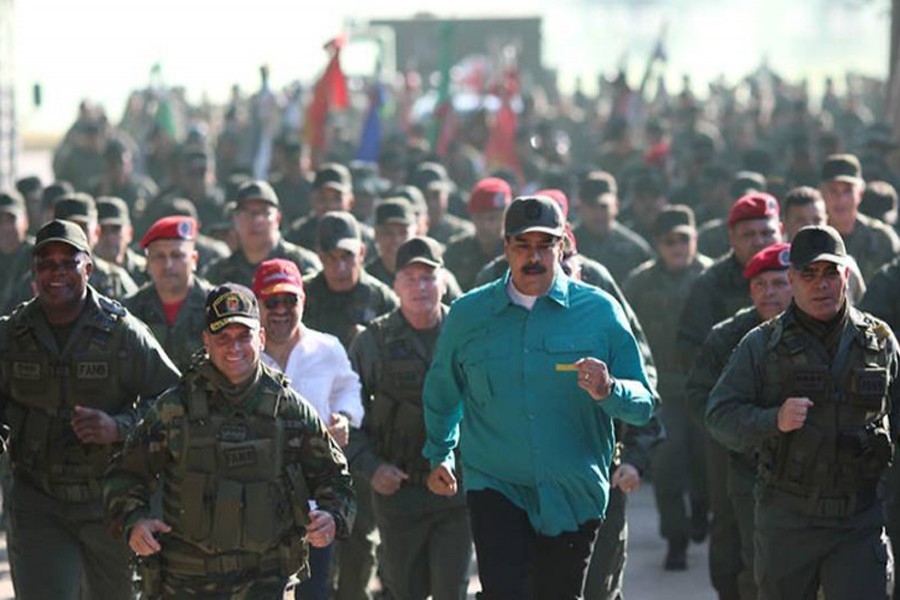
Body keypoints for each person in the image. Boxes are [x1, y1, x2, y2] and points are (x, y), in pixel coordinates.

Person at [423, 195, 655, 599]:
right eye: (522, 246)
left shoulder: (600, 311)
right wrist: (440, 452)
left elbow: (642, 404)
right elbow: (444, 391)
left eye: (544, 246)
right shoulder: (469, 315)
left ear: (562, 246)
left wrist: (609, 389)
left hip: (573, 490)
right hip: (496, 483)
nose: (534, 257)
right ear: (506, 249)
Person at [104, 283, 356, 599]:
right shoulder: (175, 409)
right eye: (222, 338)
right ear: (206, 341)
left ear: (261, 338)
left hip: (266, 582)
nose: (233, 348)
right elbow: (124, 474)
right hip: (185, 583)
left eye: (243, 336)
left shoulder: (289, 409)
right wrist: (134, 520)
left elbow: (336, 479)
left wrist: (332, 518)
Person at [706, 225, 898, 599]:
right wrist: (773, 419)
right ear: (792, 279)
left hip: (859, 519)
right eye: (808, 274)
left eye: (830, 272)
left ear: (846, 275)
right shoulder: (762, 345)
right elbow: (720, 416)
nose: (820, 284)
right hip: (789, 519)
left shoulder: (880, 341)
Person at [0, 219, 180, 599]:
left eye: (69, 262)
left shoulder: (122, 333)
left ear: (89, 268)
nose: (57, 273)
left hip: (109, 501)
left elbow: (173, 403)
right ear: (35, 272)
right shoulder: (12, 335)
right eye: (47, 264)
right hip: (37, 498)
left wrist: (119, 427)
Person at [347, 236, 473, 600]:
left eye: (429, 277)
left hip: (456, 492)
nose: (420, 287)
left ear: (444, 281)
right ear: (395, 284)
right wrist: (372, 468)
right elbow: (348, 419)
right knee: (406, 592)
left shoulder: (466, 334)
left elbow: (491, 409)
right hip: (398, 491)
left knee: (452, 591)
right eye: (410, 278)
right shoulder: (372, 343)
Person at [675, 191, 783, 599]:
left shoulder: (807, 293)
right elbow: (691, 357)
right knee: (731, 522)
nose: (758, 240)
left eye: (766, 232)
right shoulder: (711, 286)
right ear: (732, 238)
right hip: (731, 438)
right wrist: (728, 417)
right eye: (748, 233)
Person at [250, 258, 364, 599]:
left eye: (290, 300)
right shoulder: (242, 354)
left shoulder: (326, 348)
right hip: (256, 502)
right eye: (272, 301)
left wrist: (344, 416)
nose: (282, 310)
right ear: (257, 303)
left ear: (304, 300)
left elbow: (349, 388)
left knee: (314, 590)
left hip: (316, 500)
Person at [623, 205, 713, 570]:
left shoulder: (711, 276)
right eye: (669, 241)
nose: (678, 247)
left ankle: (702, 509)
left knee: (706, 465)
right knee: (669, 465)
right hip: (663, 391)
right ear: (657, 244)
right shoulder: (639, 282)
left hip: (707, 388)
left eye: (684, 239)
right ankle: (675, 539)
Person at [123, 216, 213, 371]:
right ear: (148, 262)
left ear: (194, 260)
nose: (168, 265)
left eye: (177, 255)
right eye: (159, 256)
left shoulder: (214, 305)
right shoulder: (131, 310)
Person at [203, 179, 321, 286]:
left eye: (264, 213)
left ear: (277, 219)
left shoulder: (302, 265)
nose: (255, 220)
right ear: (235, 220)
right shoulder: (218, 273)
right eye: (246, 212)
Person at [819, 153, 900, 281]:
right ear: (822, 193)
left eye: (848, 190)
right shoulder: (813, 238)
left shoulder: (882, 238)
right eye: (833, 190)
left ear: (860, 193)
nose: (840, 199)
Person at [571, 170, 653, 284]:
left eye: (603, 206)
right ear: (579, 208)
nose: (598, 213)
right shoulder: (566, 245)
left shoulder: (636, 250)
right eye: (591, 205)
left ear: (616, 206)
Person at [444, 177, 512, 291]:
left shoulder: (516, 252)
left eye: (492, 218)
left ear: (505, 217)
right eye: (479, 218)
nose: (485, 225)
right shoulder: (456, 251)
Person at [95, 196, 149, 286]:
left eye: (115, 229)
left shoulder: (146, 271)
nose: (109, 236)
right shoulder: (85, 275)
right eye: (102, 230)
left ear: (129, 233)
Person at [0, 190, 33, 310]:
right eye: (0, 221)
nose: (6, 228)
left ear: (25, 220)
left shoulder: (39, 255)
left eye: (11, 220)